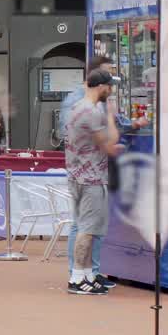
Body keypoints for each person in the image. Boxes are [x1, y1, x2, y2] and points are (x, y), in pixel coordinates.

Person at [63, 69, 125, 296]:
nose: (111, 91)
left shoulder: (77, 108)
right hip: (91, 179)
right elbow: (110, 143)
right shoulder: (92, 112)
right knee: (87, 230)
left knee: (85, 227)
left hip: (78, 175)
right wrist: (111, 114)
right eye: (110, 87)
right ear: (101, 87)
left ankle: (86, 274)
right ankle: (77, 278)